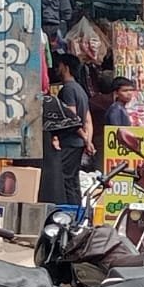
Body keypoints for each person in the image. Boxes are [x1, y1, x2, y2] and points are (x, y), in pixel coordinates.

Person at [50, 54, 93, 206]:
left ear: (66, 68)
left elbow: (72, 118)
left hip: (69, 142)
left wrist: (85, 139)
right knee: (72, 180)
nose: (57, 69)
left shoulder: (68, 90)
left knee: (65, 179)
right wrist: (87, 140)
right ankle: (77, 213)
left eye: (59, 65)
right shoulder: (80, 90)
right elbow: (87, 120)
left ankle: (70, 214)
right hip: (77, 143)